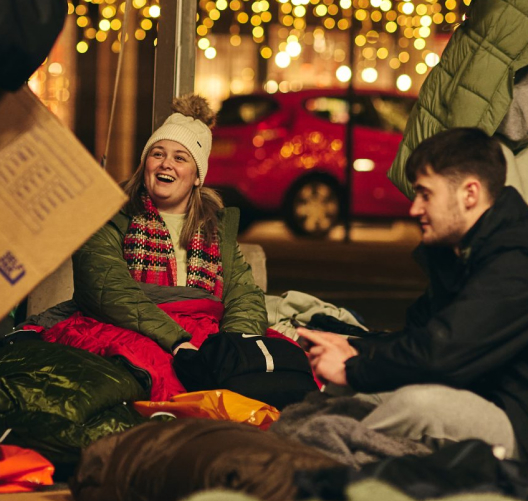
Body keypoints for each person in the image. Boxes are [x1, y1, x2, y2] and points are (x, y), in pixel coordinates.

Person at [298, 127, 528, 460]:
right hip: (475, 393)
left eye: (425, 194)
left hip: (515, 422)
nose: (414, 208)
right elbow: (420, 339)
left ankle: (325, 467)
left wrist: (353, 368)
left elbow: (443, 352)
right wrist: (355, 346)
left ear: (470, 194)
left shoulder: (516, 259)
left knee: (416, 404)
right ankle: (311, 452)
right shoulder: (463, 251)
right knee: (356, 391)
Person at [71, 94, 268, 357]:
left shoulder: (216, 231)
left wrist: (230, 349)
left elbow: (245, 297)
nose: (166, 164)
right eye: (158, 154)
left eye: (180, 158)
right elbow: (108, 289)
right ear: (145, 165)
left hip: (206, 339)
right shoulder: (111, 216)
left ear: (197, 177)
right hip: (133, 334)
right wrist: (175, 341)